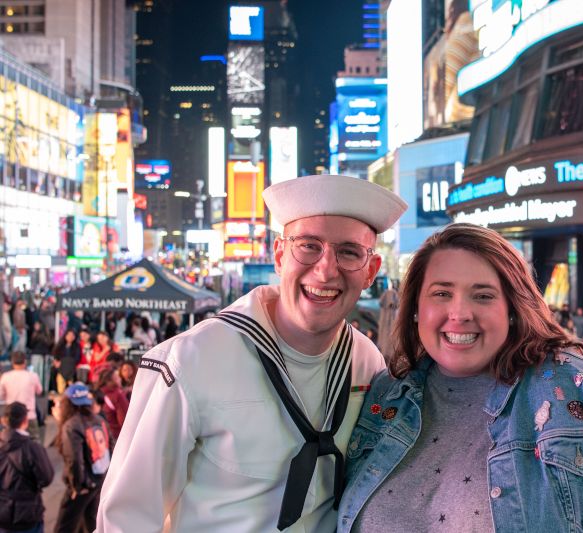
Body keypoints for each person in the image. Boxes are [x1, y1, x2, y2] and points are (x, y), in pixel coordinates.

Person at [96, 174, 407, 531]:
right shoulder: (191, 360)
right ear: (279, 255)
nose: (325, 269)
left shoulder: (366, 361)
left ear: (370, 272)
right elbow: (126, 517)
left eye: (348, 252)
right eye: (308, 246)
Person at [339, 223, 583, 532]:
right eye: (442, 293)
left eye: (483, 295)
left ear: (513, 309)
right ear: (415, 308)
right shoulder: (384, 396)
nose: (459, 314)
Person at [54, 383, 112, 533]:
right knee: (90, 524)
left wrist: (77, 487)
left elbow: (74, 460)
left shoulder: (71, 425)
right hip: (99, 481)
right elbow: (111, 448)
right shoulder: (99, 420)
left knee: (64, 526)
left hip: (83, 485)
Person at [0, 402, 54, 533]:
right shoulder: (33, 448)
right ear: (25, 421)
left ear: (3, 420)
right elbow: (46, 478)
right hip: (27, 513)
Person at [0, 351, 43, 441]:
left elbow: (1, 395)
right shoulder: (33, 376)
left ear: (12, 362)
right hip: (29, 415)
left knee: (9, 441)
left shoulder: (5, 376)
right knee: (34, 441)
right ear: (25, 362)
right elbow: (39, 391)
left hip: (11, 415)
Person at [95, 366, 129, 442]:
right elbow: (124, 420)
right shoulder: (117, 395)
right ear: (110, 381)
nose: (120, 379)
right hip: (117, 437)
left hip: (102, 435)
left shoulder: (98, 393)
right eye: (117, 377)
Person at [51, 329, 81, 394]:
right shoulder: (60, 345)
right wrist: (56, 362)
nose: (70, 337)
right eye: (69, 335)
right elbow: (55, 356)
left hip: (71, 366)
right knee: (54, 370)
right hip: (60, 366)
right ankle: (56, 390)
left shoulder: (77, 346)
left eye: (72, 335)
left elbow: (77, 358)